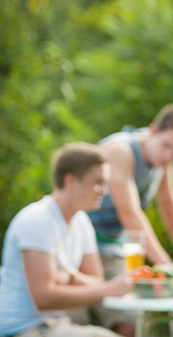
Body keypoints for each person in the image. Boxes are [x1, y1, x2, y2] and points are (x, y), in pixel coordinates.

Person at [86, 103, 173, 336]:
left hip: (110, 247)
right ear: (153, 130)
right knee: (112, 320)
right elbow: (130, 213)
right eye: (167, 146)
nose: (169, 156)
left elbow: (169, 204)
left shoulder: (162, 159)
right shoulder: (121, 151)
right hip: (81, 245)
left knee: (138, 323)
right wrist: (168, 268)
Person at [0, 143, 133, 337]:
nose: (104, 191)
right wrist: (109, 289)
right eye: (98, 182)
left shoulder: (81, 220)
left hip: (56, 326)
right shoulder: (37, 220)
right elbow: (44, 298)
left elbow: (96, 280)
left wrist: (71, 275)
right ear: (70, 180)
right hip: (24, 330)